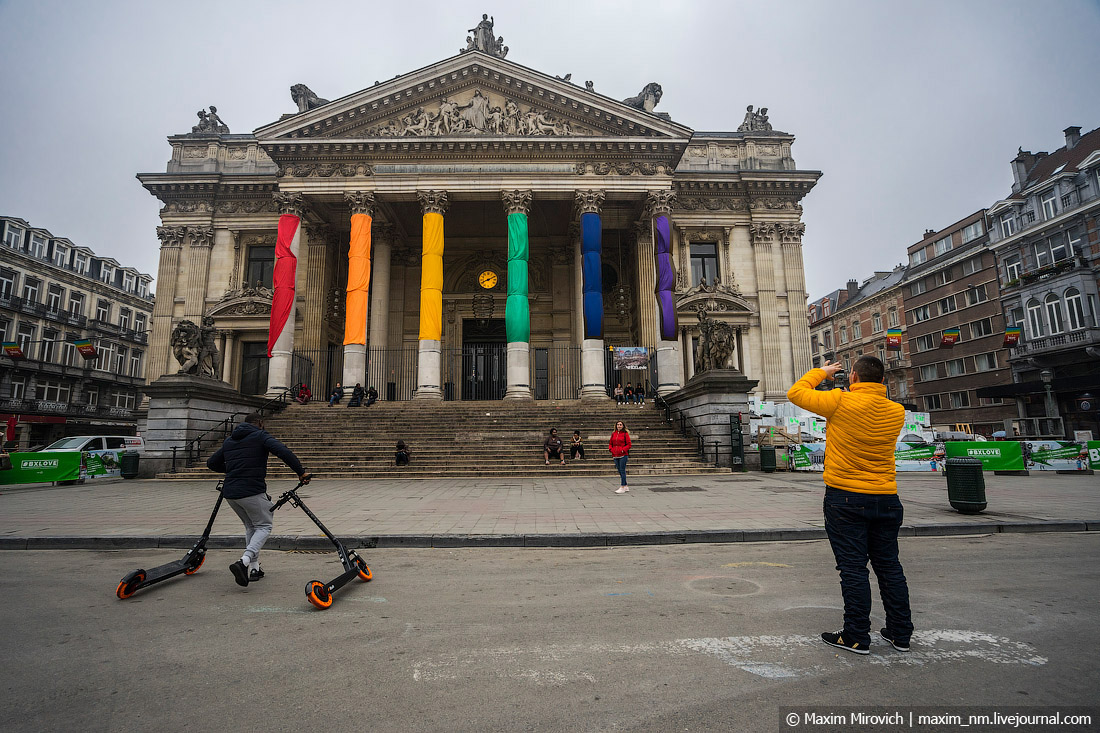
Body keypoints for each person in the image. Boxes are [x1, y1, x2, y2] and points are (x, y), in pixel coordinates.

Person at [787, 356, 911, 656]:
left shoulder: (839, 401)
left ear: (853, 376)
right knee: (889, 566)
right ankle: (900, 633)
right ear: (883, 381)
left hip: (845, 497)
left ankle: (856, 635)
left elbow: (796, 392)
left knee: (853, 569)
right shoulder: (896, 411)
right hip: (887, 497)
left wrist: (823, 372)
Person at [207, 412, 312, 587]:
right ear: (260, 423)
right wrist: (300, 472)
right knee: (264, 526)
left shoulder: (230, 440)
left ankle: (254, 568)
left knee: (251, 526)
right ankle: (244, 561)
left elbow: (211, 463)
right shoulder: (260, 435)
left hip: (231, 494)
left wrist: (234, 469)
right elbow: (283, 452)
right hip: (251, 490)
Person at [609, 420, 631, 493]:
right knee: (619, 470)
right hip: (615, 454)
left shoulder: (625, 434)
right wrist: (611, 449)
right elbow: (610, 443)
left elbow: (629, 444)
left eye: (620, 424)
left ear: (623, 426)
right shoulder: (613, 434)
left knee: (622, 470)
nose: (619, 426)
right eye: (618, 424)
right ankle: (625, 485)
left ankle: (622, 486)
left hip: (623, 455)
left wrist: (623, 450)